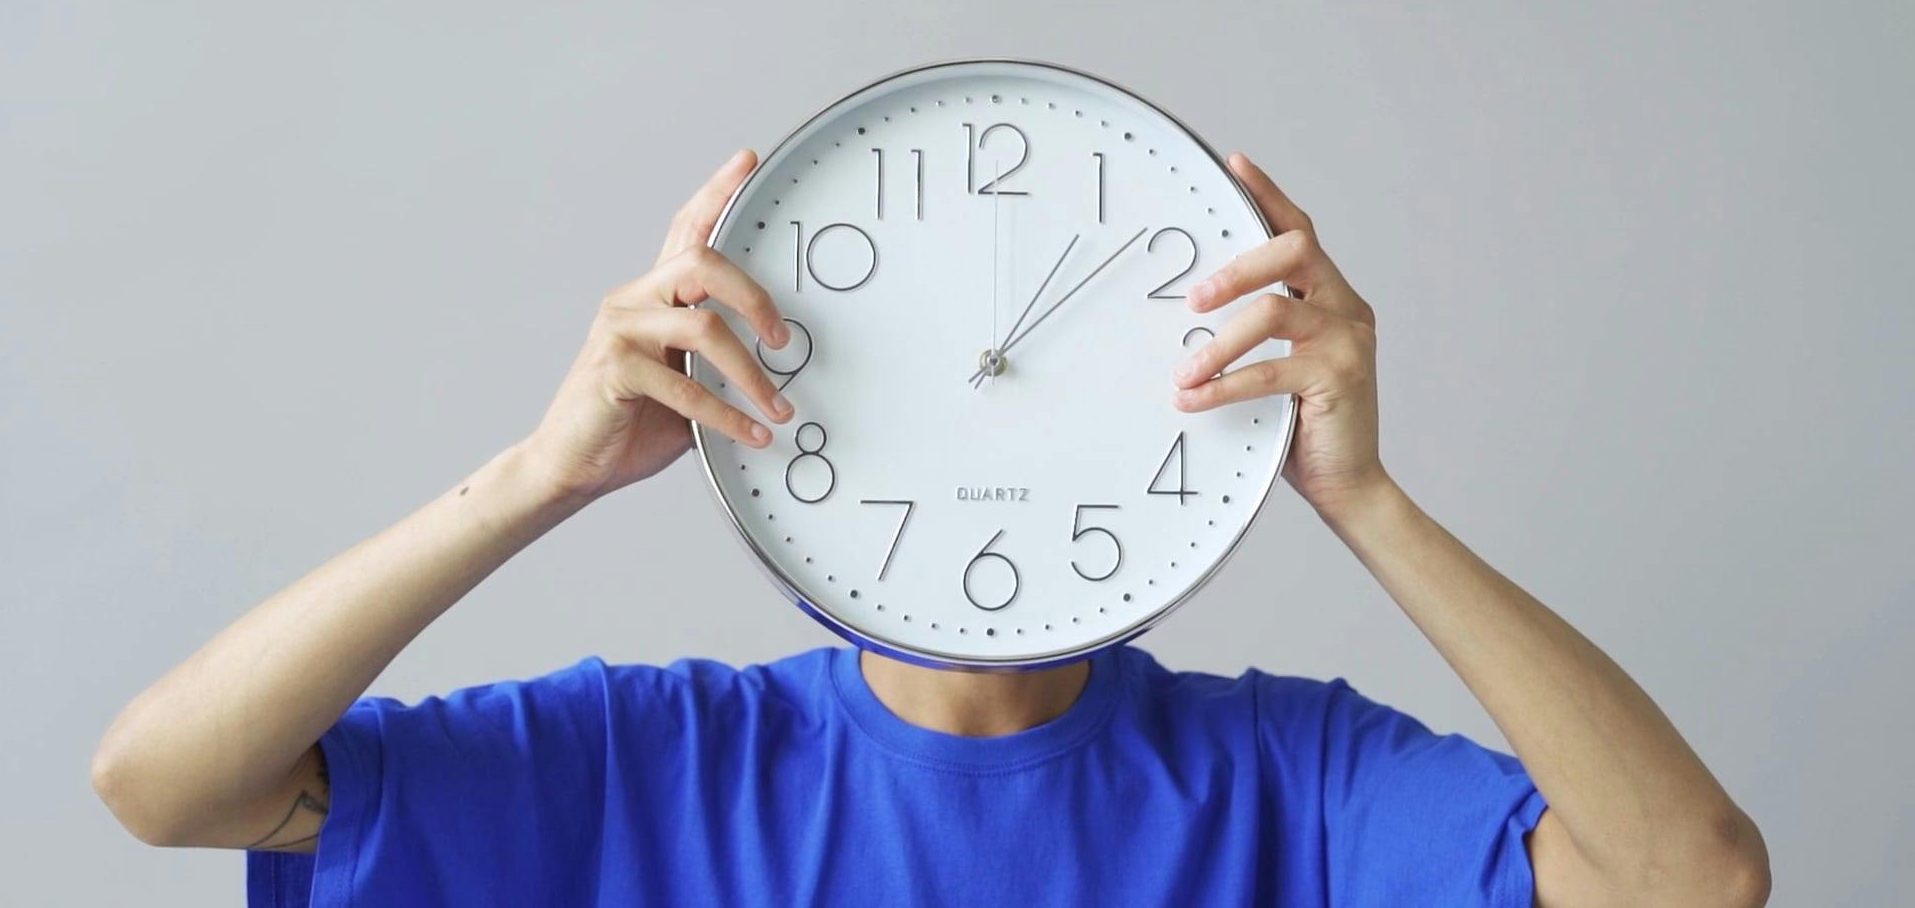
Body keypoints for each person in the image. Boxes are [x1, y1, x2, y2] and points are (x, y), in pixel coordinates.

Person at [91, 150, 1770, 906]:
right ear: (786, 434)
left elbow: (1693, 882)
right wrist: (542, 474)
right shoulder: (645, 759)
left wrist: (1361, 496)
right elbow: (164, 785)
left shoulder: (1296, 784)